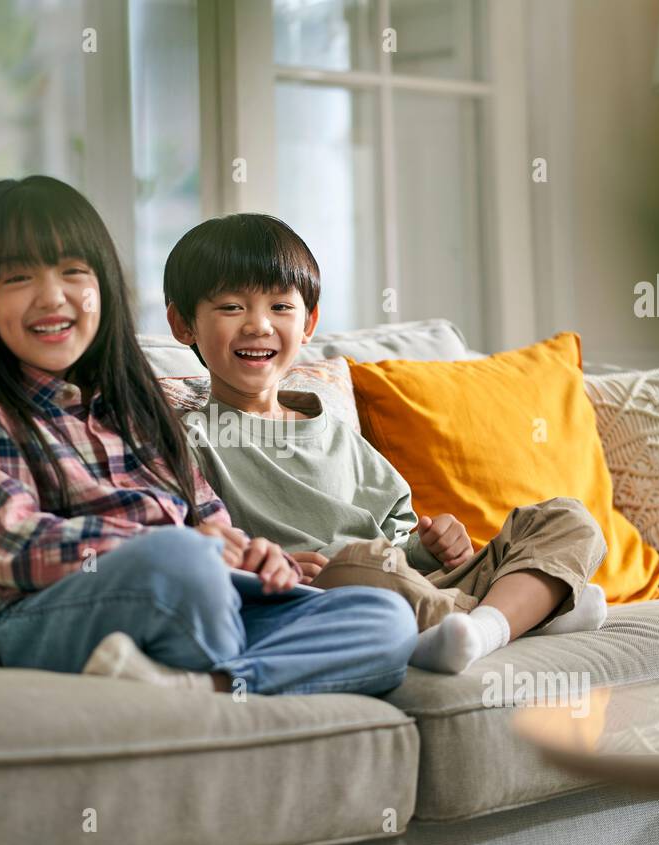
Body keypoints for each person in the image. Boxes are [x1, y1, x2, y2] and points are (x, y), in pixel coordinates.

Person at [0, 176, 417, 696]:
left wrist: (256, 554)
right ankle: (243, 667)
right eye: (19, 277)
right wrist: (172, 545)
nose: (52, 297)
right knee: (181, 565)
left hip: (199, 592)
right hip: (55, 611)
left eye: (73, 271)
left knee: (384, 617)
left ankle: (205, 685)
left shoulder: (139, 408)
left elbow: (209, 517)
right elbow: (11, 545)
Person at [163, 213, 609, 674]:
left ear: (309, 321)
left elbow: (399, 543)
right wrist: (266, 566)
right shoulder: (189, 439)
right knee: (361, 563)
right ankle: (528, 608)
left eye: (280, 307)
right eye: (232, 307)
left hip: (414, 580)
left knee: (567, 518)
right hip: (329, 591)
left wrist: (434, 547)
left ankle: (486, 626)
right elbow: (196, 543)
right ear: (183, 323)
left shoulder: (332, 429)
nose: (258, 325)